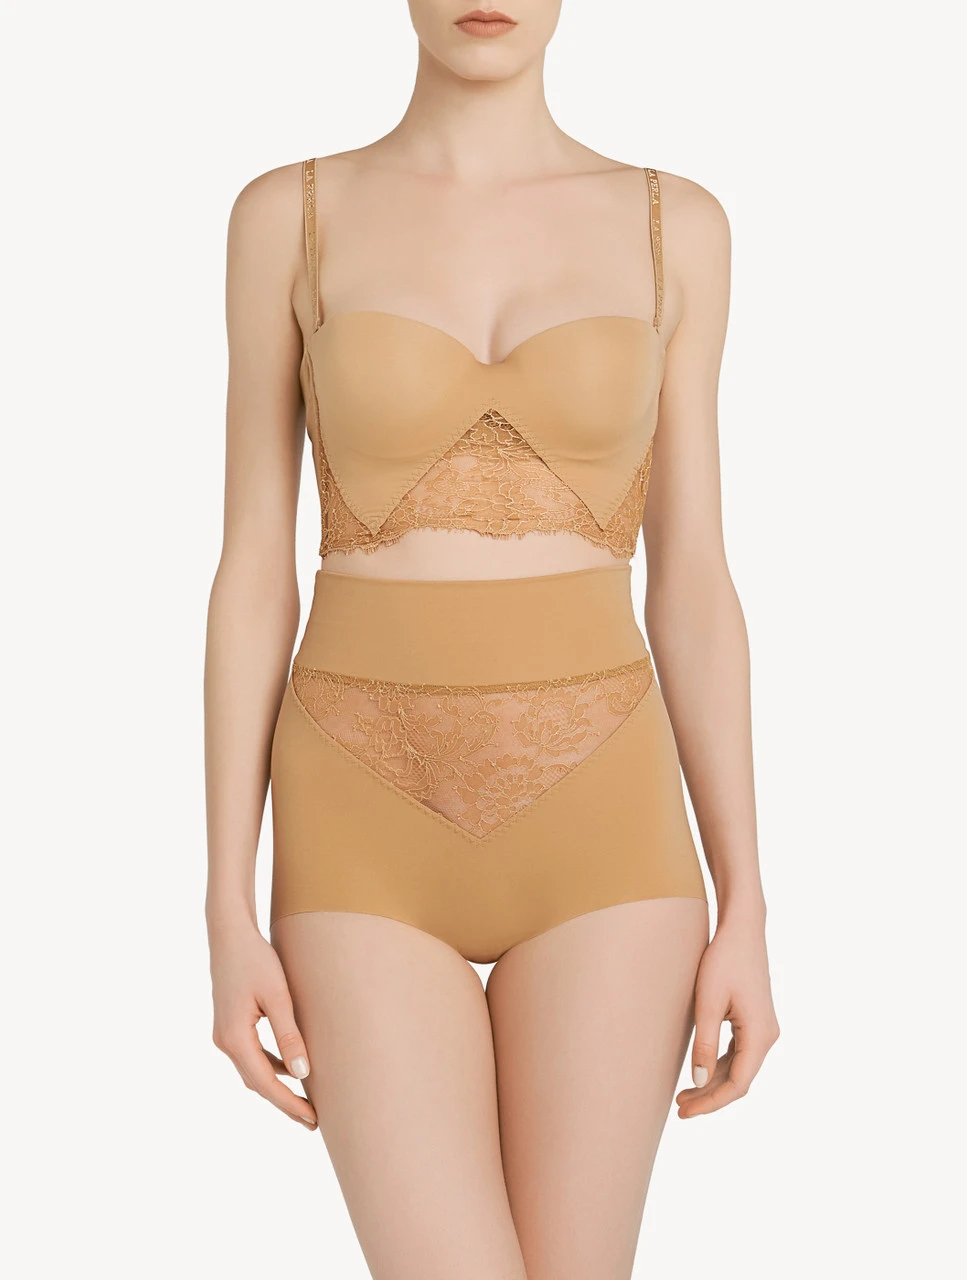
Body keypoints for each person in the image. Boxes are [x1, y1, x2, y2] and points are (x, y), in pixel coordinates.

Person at [205, 3, 779, 1276]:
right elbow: (251, 571)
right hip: (357, 825)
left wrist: (747, 898)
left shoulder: (675, 225)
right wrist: (224, 905)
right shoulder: (287, 216)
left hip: (607, 834)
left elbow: (693, 576)